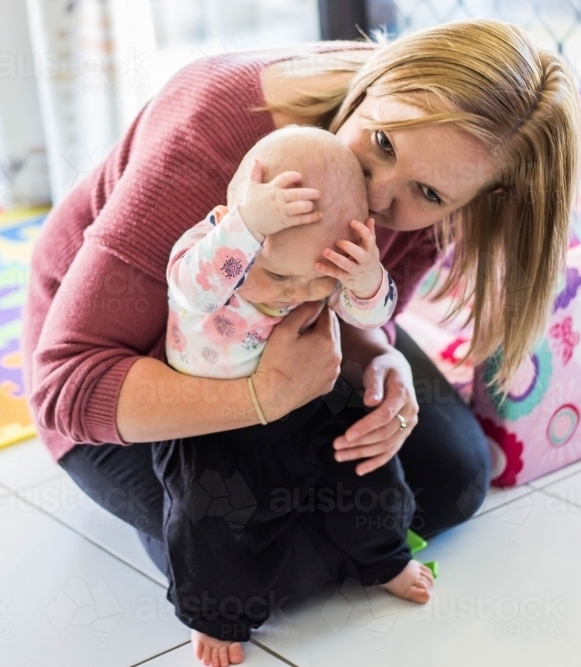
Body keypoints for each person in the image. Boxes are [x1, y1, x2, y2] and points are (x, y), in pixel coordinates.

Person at [23, 18, 581, 667]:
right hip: (133, 367)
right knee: (246, 563)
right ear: (377, 79)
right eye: (380, 143)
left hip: (289, 350)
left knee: (455, 477)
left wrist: (383, 359)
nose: (374, 198)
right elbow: (67, 385)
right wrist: (262, 397)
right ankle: (235, 545)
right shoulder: (212, 129)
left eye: (425, 194)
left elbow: (362, 308)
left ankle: (308, 526)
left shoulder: (457, 173)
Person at [155, 126, 433, 644]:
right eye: (283, 280)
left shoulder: (314, 266)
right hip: (214, 426)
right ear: (231, 229)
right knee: (206, 521)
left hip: (308, 403)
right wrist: (247, 227)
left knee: (368, 473)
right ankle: (215, 619)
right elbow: (193, 292)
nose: (302, 293)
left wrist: (364, 277)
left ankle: (386, 556)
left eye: (319, 278)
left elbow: (363, 312)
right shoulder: (210, 254)